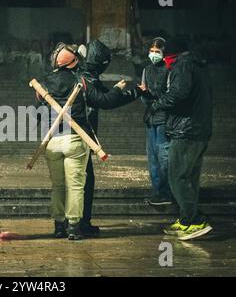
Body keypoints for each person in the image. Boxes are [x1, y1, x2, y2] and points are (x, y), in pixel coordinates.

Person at [39, 43, 144, 240]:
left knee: (58, 186)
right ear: (74, 62)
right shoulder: (80, 81)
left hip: (52, 140)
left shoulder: (44, 84)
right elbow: (102, 101)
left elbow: (38, 112)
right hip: (75, 139)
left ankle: (59, 227)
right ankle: (74, 228)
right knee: (77, 185)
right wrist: (118, 89)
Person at [149, 37, 213, 241]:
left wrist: (157, 104)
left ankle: (195, 220)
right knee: (189, 178)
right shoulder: (196, 65)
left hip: (186, 130)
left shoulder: (182, 66)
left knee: (177, 177)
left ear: (170, 54)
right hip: (198, 129)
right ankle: (187, 220)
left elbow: (178, 94)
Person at [76, 39, 142, 236]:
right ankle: (80, 224)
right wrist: (120, 89)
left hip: (77, 136)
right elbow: (105, 100)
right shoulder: (85, 79)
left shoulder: (84, 77)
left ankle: (69, 223)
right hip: (81, 137)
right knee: (84, 181)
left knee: (76, 181)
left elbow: (106, 98)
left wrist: (134, 92)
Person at [140, 37, 173, 206]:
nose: (153, 54)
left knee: (164, 157)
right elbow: (144, 91)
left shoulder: (168, 69)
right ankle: (157, 191)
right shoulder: (146, 69)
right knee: (152, 158)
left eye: (157, 52)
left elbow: (170, 96)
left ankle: (166, 192)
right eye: (151, 51)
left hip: (163, 119)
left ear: (163, 53)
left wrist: (156, 103)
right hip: (150, 119)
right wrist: (144, 96)